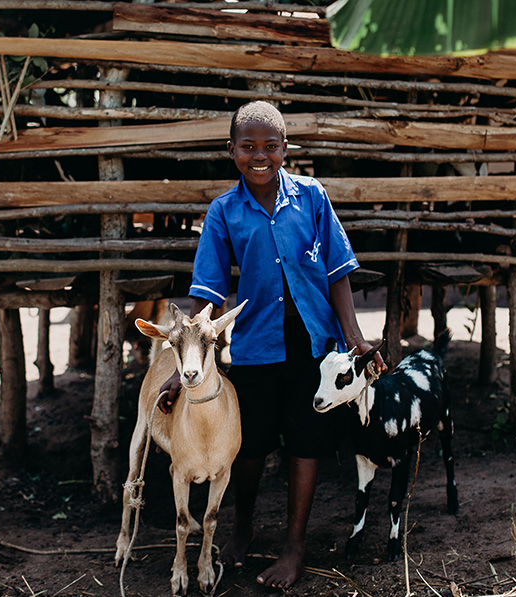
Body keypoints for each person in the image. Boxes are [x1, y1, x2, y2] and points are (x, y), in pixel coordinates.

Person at [157, 100, 384, 589]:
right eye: (248, 147)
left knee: (305, 443)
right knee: (252, 444)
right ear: (231, 151)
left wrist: (356, 339)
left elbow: (339, 273)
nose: (260, 155)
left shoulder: (312, 197)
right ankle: (242, 526)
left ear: (285, 149)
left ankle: (295, 547)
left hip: (314, 347)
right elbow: (206, 293)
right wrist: (184, 366)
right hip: (257, 347)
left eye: (270, 146)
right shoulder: (223, 212)